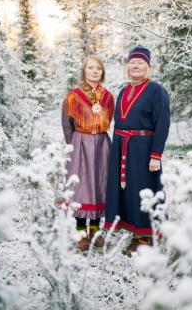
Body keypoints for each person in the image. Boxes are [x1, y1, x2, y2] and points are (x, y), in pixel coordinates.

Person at [105, 47, 170, 253]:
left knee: (144, 189)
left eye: (141, 63)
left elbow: (163, 124)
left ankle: (145, 238)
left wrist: (155, 155)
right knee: (129, 191)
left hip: (144, 149)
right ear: (127, 66)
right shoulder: (124, 91)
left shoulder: (156, 90)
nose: (136, 66)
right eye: (132, 62)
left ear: (148, 67)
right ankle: (134, 230)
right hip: (123, 146)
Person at [62, 56, 115, 251]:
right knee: (82, 187)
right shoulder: (73, 96)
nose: (94, 71)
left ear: (102, 72)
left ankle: (94, 231)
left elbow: (109, 120)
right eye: (90, 68)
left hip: (101, 143)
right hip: (80, 142)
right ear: (84, 71)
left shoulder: (108, 96)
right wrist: (73, 146)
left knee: (99, 185)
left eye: (98, 68)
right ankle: (80, 234)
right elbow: (66, 124)